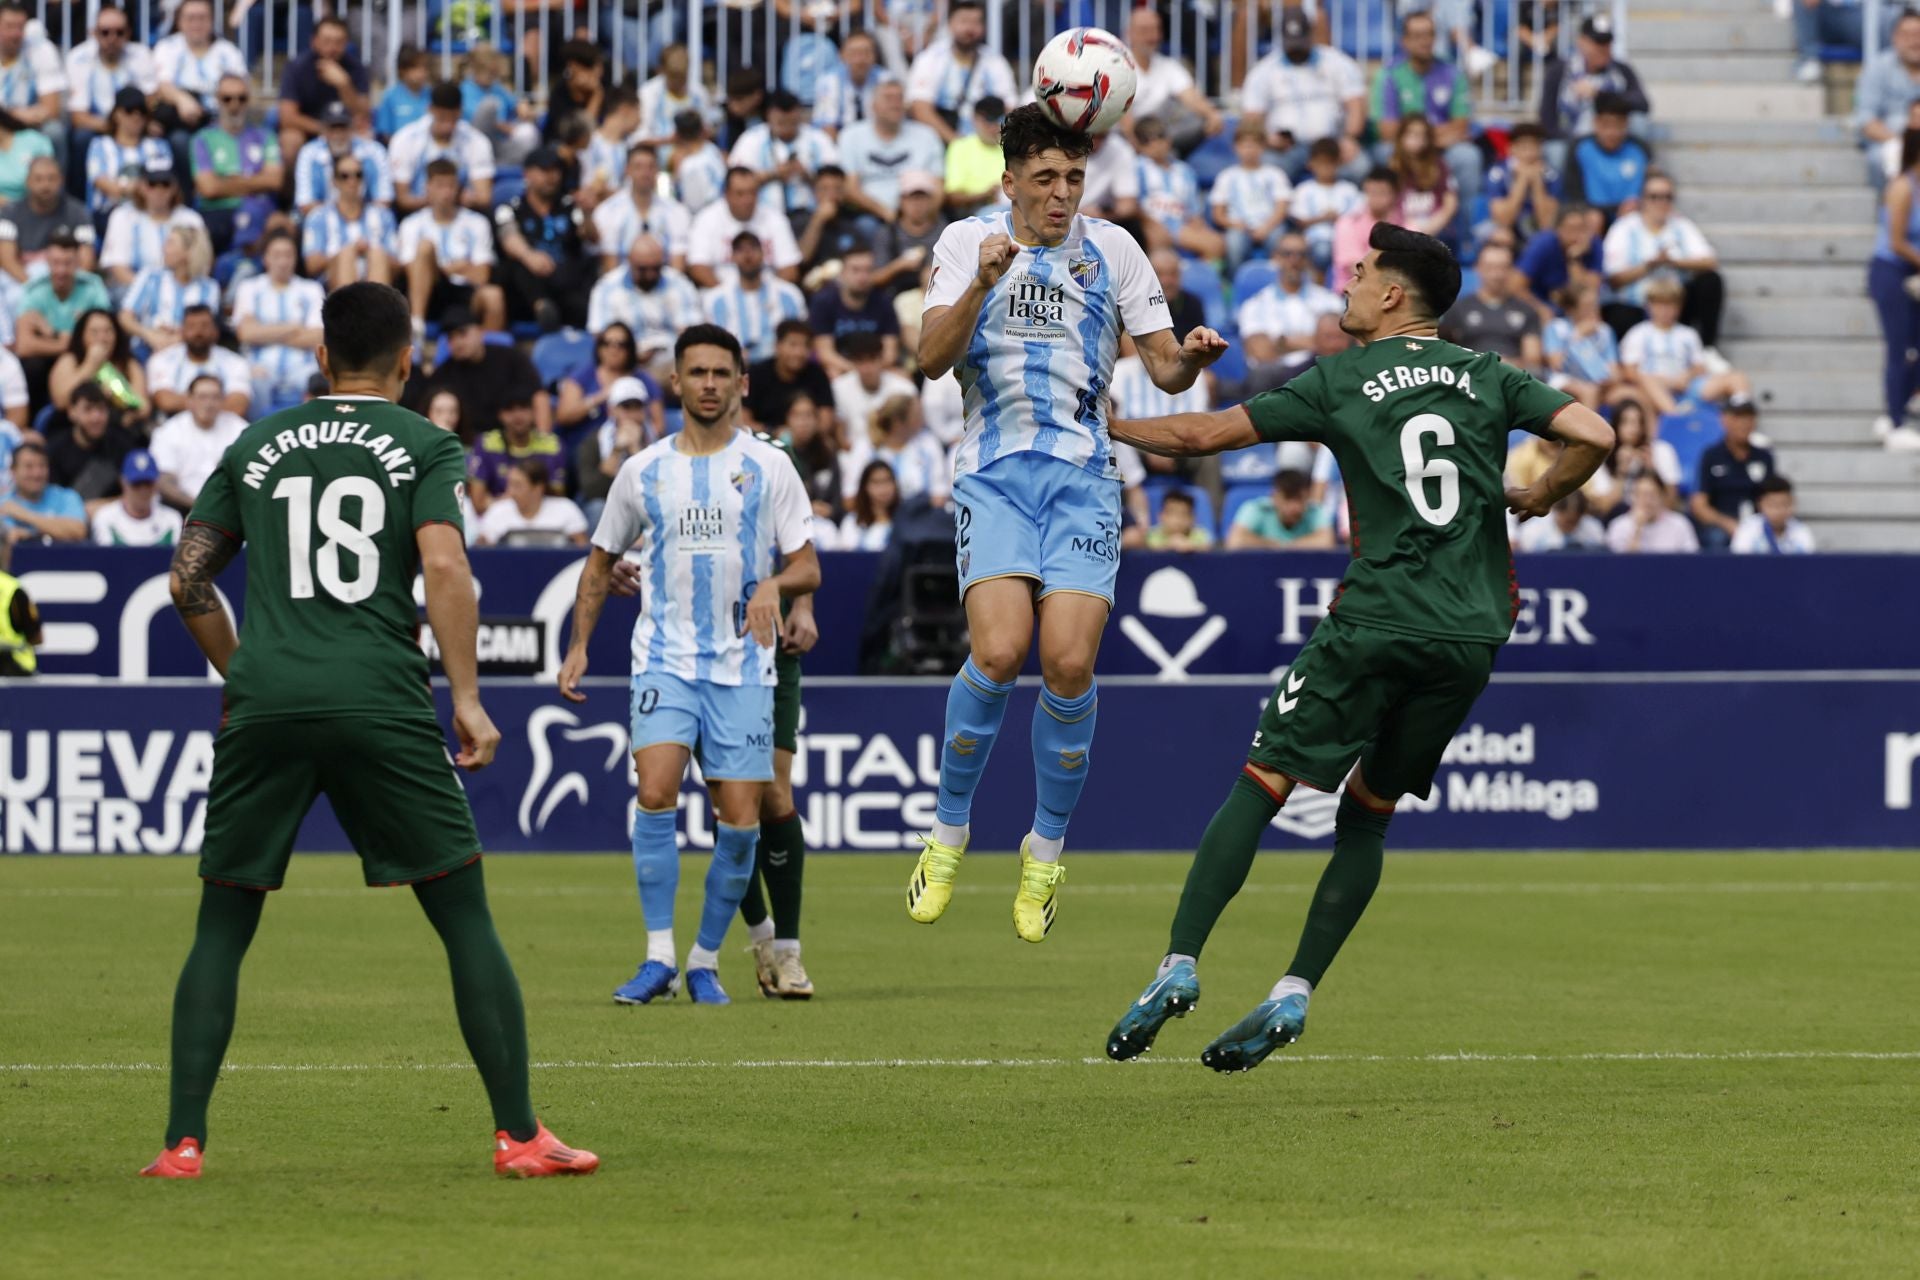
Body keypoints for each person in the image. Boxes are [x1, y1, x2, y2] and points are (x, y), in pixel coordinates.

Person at [1098, 221, 1614, 1071]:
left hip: (1376, 618)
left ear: (1392, 295)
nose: (1349, 280)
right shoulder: (1488, 375)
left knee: (1264, 779)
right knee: (1366, 817)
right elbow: (1595, 433)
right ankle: (1294, 990)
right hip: (1472, 634)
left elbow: (1196, 438)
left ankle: (1179, 967)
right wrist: (1542, 491)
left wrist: (1111, 425)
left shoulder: (1342, 378)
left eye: (1363, 270)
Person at [140, 279, 597, 1181]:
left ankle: (181, 1146)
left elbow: (185, 582)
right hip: (379, 697)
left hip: (266, 699)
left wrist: (249, 674)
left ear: (319, 358)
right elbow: (443, 564)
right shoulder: (424, 441)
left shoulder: (257, 439)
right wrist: (466, 697)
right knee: (461, 913)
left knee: (222, 924)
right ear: (406, 361)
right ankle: (519, 1137)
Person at [909, 104, 1228, 941]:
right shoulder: (962, 244)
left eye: (1074, 179)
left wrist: (1190, 355)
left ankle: (1044, 850)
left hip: (1084, 477)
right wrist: (982, 279)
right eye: (1044, 179)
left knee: (1069, 662)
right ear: (1007, 178)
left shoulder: (1113, 248)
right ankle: (947, 835)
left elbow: (1163, 373)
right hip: (995, 474)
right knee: (1000, 651)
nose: (1061, 195)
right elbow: (929, 360)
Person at [558, 324, 820, 1006]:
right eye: (695, 372)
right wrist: (580, 644)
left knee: (740, 821)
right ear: (674, 381)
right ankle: (657, 958)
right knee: (655, 794)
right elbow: (599, 562)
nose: (708, 384)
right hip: (665, 661)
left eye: (719, 373)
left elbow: (807, 562)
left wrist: (776, 586)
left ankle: (705, 960)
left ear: (742, 382)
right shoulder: (642, 471)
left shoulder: (770, 466)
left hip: (744, 669)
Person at [1242, 8, 1369, 182]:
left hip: (1331, 143)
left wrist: (1349, 138)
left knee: (1360, 168)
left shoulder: (1337, 62)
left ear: (1311, 35)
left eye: (1300, 42)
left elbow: (1356, 106)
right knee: (1265, 172)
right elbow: (1252, 119)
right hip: (1286, 148)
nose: (1296, 49)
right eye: (1291, 43)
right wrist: (1269, 139)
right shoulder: (1263, 71)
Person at [1371, 10, 1481, 211]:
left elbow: (1461, 126)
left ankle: (1466, 237)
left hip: (1442, 150)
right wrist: (1427, 137)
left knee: (1468, 156)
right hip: (1403, 148)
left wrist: (1420, 138)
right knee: (1384, 153)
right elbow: (1387, 131)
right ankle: (1394, 227)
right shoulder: (1388, 75)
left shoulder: (1453, 74)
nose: (1425, 41)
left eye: (1429, 34)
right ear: (1404, 40)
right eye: (1417, 36)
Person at [493, 147, 595, 333]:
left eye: (556, 171)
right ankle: (541, 306)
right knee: (514, 266)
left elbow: (590, 238)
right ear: (527, 174)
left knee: (588, 264)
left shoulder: (570, 206)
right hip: (526, 290)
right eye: (544, 170)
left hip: (564, 283)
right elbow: (509, 238)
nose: (552, 177)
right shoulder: (511, 208)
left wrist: (588, 213)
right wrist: (529, 256)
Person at [398, 158, 504, 333]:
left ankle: (488, 353)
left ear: (458, 189)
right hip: (431, 292)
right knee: (425, 248)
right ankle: (416, 326)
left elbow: (482, 274)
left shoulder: (477, 222)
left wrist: (438, 268)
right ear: (428, 188)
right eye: (440, 186)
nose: (446, 192)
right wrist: (457, 267)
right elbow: (411, 271)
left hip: (464, 293)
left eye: (451, 186)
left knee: (494, 296)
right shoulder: (411, 224)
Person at [1619, 279, 1748, 417]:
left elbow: (1699, 367)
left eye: (1670, 305)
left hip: (1686, 387)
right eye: (1660, 305)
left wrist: (1687, 376)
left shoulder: (1688, 334)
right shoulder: (1638, 333)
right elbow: (1630, 372)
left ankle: (1744, 418)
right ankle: (1676, 416)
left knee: (1737, 378)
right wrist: (1668, 382)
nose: (1665, 311)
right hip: (1654, 386)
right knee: (1646, 380)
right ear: (1649, 306)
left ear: (1679, 307)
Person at [231, 230, 324, 415]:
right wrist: (295, 327)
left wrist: (264, 332)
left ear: (296, 258)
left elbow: (317, 336)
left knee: (317, 382)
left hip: (303, 367)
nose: (283, 262)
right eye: (277, 255)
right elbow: (246, 334)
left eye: (288, 255)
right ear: (266, 259)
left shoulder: (311, 289)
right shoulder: (249, 288)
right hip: (260, 367)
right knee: (252, 382)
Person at [188, 75, 281, 254]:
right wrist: (254, 181)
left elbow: (275, 181)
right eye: (227, 98)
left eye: (241, 98)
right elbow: (208, 188)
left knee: (281, 227)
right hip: (217, 212)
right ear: (217, 100)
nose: (234, 105)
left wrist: (228, 180)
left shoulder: (265, 136)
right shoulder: (202, 139)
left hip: (260, 211)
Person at [837, 80, 945, 232]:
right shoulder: (851, 135)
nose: (895, 104)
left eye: (900, 98)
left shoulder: (926, 135)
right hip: (870, 215)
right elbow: (850, 187)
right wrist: (886, 213)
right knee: (866, 227)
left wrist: (922, 216)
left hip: (921, 215)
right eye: (888, 98)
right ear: (873, 106)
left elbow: (938, 185)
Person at [906, 0, 1017, 146]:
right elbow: (920, 108)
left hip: (988, 144)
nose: (970, 29)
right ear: (949, 24)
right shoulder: (931, 58)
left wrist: (989, 137)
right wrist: (957, 143)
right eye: (964, 21)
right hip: (940, 143)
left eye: (976, 22)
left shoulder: (995, 61)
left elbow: (1011, 107)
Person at [1870, 127, 1920, 446]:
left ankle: (1905, 398)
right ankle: (1895, 417)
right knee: (1899, 346)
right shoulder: (1903, 187)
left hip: (1913, 270)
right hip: (1891, 271)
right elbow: (1896, 241)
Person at [1538, 15, 1650, 154]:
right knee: (1556, 151)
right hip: (1571, 139)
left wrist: (1599, 94)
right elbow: (1547, 119)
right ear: (1581, 42)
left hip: (1613, 139)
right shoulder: (1559, 70)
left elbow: (1642, 103)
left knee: (1639, 122)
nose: (1603, 48)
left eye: (1607, 43)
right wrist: (1577, 141)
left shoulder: (1621, 70)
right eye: (1597, 42)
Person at [1121, 6, 1225, 154]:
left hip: (1163, 137)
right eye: (1144, 31)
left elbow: (1192, 97)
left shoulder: (1169, 66)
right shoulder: (1118, 68)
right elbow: (1122, 117)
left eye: (1156, 30)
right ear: (1129, 34)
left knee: (1197, 120)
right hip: (1129, 141)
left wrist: (1211, 114)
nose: (1152, 37)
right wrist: (1140, 144)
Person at [274, 14, 370, 168]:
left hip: (346, 130)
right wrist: (325, 129)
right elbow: (287, 117)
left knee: (367, 137)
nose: (332, 48)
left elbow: (363, 116)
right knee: (290, 140)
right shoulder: (297, 67)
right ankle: (291, 192)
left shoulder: (356, 68)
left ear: (346, 43)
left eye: (338, 42)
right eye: (327, 41)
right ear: (315, 41)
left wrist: (344, 85)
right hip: (310, 130)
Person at [587, 234, 705, 358]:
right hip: (627, 361)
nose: (650, 275)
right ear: (629, 261)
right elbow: (601, 336)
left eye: (655, 268)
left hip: (672, 360)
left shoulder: (680, 285)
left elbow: (691, 334)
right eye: (643, 269)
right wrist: (632, 355)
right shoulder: (607, 289)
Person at [686, 166, 804, 288]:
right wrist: (729, 299)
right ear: (727, 194)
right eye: (740, 194)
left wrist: (769, 296)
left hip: (769, 300)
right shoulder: (706, 219)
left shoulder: (775, 219)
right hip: (720, 297)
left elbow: (790, 269)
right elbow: (698, 268)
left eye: (752, 192)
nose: (747, 200)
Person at [700, 231, 809, 364]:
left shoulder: (789, 294)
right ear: (732, 257)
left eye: (753, 248)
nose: (748, 255)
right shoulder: (715, 299)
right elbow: (712, 344)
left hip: (779, 369)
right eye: (740, 250)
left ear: (764, 254)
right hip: (734, 369)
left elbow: (801, 337)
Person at [152, 0, 247, 150]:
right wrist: (182, 99)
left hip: (221, 118)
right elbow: (163, 84)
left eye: (202, 18)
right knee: (179, 140)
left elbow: (241, 86)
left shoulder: (228, 51)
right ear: (179, 21)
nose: (197, 24)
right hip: (183, 121)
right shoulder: (167, 47)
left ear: (211, 20)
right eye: (191, 18)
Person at [390, 83, 496, 216]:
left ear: (460, 112)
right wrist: (438, 199)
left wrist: (452, 199)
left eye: (453, 119)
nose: (447, 126)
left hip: (463, 216)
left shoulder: (477, 142)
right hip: (417, 215)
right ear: (431, 110)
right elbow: (403, 199)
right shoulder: (405, 140)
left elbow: (484, 197)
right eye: (442, 118)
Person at [64, 6, 157, 157]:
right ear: (94, 33)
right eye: (105, 32)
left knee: (160, 132)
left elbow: (150, 100)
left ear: (128, 33)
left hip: (134, 123)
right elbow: (78, 116)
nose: (112, 39)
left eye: (119, 32)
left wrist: (131, 125)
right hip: (97, 126)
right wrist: (117, 127)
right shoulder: (78, 58)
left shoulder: (141, 55)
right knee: (81, 137)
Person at [1238, 232, 1342, 365]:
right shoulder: (1255, 305)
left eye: (1301, 254)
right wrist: (1316, 342)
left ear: (1308, 260)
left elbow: (1337, 346)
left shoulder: (1330, 301)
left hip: (1319, 377)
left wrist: (1282, 342)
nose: (1294, 260)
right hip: (1275, 381)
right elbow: (1261, 352)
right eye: (1287, 254)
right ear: (1276, 257)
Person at [1690, 394, 1777, 551]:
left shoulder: (1764, 457)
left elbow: (1773, 497)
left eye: (1748, 417)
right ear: (1724, 420)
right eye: (1738, 417)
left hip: (1757, 523)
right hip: (1723, 524)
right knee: (1716, 538)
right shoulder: (1711, 456)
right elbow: (1699, 505)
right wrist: (1728, 524)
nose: (1744, 423)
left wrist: (1757, 525)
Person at [100, 161, 206, 288]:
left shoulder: (191, 219)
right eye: (152, 184)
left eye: (165, 184)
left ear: (174, 187)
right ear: (141, 186)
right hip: (132, 288)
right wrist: (149, 293)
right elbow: (117, 268)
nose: (159, 190)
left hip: (182, 288)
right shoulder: (122, 216)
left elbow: (202, 262)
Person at [303, 150, 398, 288]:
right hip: (333, 283)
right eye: (345, 176)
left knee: (377, 254)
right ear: (334, 181)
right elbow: (312, 264)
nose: (352, 181)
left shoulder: (383, 215)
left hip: (376, 275)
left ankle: (376, 308)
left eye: (358, 175)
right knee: (347, 255)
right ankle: (350, 308)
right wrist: (351, 250)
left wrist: (369, 251)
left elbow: (397, 264)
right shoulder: (318, 216)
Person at [1133, 117, 1225, 260]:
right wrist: (1150, 224)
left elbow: (1193, 209)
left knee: (1216, 243)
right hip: (1150, 223)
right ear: (1139, 145)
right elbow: (1134, 204)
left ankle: (1199, 279)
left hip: (1180, 224)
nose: (1156, 144)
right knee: (1157, 240)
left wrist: (1197, 222)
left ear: (1168, 140)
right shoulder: (1137, 167)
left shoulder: (1185, 171)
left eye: (1160, 137)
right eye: (1147, 140)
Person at [150, 374, 247, 509]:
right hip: (183, 508)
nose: (208, 404)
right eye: (202, 397)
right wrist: (201, 508)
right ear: (189, 400)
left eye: (215, 397)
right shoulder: (168, 431)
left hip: (229, 507)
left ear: (223, 400)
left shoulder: (240, 429)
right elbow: (164, 482)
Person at [1439, 242, 1542, 368]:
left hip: (1513, 377)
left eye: (1503, 267)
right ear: (1478, 268)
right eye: (1490, 267)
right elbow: (1445, 353)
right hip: (1469, 375)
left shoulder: (1527, 311)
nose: (1496, 275)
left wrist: (1504, 366)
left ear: (1511, 270)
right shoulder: (1458, 308)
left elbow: (1533, 359)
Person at [119, 225, 219, 355]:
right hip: (145, 349)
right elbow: (125, 317)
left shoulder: (209, 288)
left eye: (170, 243)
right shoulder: (150, 276)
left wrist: (176, 338)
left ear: (188, 252)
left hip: (188, 351)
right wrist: (149, 334)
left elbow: (208, 328)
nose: (164, 248)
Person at [593, 145, 691, 273]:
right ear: (627, 170)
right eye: (638, 167)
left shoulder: (677, 212)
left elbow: (677, 267)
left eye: (651, 167)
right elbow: (609, 265)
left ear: (657, 170)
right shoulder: (607, 211)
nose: (645, 173)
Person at [0, 154, 97, 281]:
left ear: (61, 181)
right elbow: (7, 260)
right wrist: (35, 289)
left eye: (51, 179)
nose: (45, 185)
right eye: (38, 179)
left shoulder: (79, 212)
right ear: (27, 182)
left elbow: (86, 261)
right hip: (21, 280)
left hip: (66, 282)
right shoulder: (9, 213)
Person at [1213, 120, 1293, 272]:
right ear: (1235, 147)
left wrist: (1266, 227)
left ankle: (1280, 280)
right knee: (1234, 243)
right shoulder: (1226, 176)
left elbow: (1282, 208)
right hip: (1239, 227)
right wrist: (1236, 225)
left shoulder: (1274, 174)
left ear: (1263, 147)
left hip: (1270, 226)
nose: (1249, 150)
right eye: (1244, 145)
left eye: (1254, 145)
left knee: (1279, 239)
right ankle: (1235, 283)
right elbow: (1218, 214)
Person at [467, 388, 564, 511]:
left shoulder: (552, 445)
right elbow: (478, 503)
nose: (518, 416)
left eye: (523, 408)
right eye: (510, 409)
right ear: (500, 414)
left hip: (542, 518)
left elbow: (557, 499)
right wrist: (507, 503)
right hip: (496, 516)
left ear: (534, 412)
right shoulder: (486, 443)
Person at [146, 305, 250, 418]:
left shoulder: (235, 362)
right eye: (191, 326)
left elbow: (237, 406)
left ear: (216, 331)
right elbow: (165, 401)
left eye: (205, 326)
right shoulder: (162, 359)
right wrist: (214, 403)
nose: (198, 332)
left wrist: (188, 402)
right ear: (182, 331)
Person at [808, 247, 900, 373]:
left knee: (903, 378)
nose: (862, 277)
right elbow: (825, 353)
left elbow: (890, 354)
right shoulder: (824, 301)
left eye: (868, 270)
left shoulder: (884, 302)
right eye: (855, 270)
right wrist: (859, 371)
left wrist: (870, 371)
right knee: (831, 372)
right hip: (840, 369)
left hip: (877, 370)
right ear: (842, 273)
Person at [295, 101, 396, 216]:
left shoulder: (374, 152)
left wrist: (356, 221)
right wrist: (341, 221)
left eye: (343, 127)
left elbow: (384, 200)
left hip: (367, 222)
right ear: (323, 130)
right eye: (333, 128)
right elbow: (306, 204)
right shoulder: (309, 153)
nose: (338, 134)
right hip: (322, 224)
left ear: (352, 128)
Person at [1563, 95, 1648, 227]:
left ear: (1626, 124)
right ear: (1595, 123)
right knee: (1594, 218)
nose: (1612, 132)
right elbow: (1573, 195)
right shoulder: (1580, 148)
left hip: (1629, 217)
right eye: (1606, 125)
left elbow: (1649, 189)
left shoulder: (1640, 150)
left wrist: (1638, 205)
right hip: (1592, 214)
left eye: (1618, 125)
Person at [48, 307, 147, 418]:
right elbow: (60, 401)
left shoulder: (128, 363)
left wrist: (119, 400)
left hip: (118, 425)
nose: (102, 338)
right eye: (94, 332)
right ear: (82, 336)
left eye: (108, 331)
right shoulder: (69, 360)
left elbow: (144, 407)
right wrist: (90, 366)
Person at [745, 317, 837, 434]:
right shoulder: (757, 374)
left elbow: (826, 421)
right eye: (793, 345)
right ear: (777, 346)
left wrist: (802, 433)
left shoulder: (817, 374)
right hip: (763, 442)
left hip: (808, 443)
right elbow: (743, 421)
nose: (799, 352)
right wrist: (775, 433)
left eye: (805, 346)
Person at [0, 3, 65, 168]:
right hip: (16, 119)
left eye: (20, 27)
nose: (16, 34)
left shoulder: (41, 50)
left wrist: (11, 114)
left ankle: (56, 191)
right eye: (9, 27)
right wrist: (16, 114)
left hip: (30, 124)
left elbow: (52, 110)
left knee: (54, 131)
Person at [46, 381, 133, 503]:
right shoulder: (54, 449)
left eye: (101, 409)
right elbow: (52, 500)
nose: (96, 417)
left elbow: (135, 494)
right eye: (88, 409)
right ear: (72, 412)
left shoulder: (121, 444)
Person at [83, 87, 160, 223]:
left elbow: (163, 184)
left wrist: (127, 188)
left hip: (151, 211)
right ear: (117, 114)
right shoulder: (99, 145)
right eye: (129, 111)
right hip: (109, 212)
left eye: (141, 112)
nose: (136, 117)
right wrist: (140, 188)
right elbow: (103, 183)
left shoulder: (158, 146)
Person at [472, 457, 588, 547]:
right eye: (509, 484)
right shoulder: (498, 510)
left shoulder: (566, 509)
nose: (510, 492)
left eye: (517, 485)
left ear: (538, 488)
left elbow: (581, 549)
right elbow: (483, 550)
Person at [1515, 202, 1602, 322]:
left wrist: (1574, 259)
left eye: (1582, 229)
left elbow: (1589, 293)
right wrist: (1540, 308)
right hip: (1540, 305)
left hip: (1573, 312)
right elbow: (1515, 286)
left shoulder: (1594, 245)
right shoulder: (1543, 244)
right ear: (1558, 229)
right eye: (1571, 229)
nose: (1577, 235)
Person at [1291, 137, 1362, 279]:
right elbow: (1300, 221)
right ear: (1311, 164)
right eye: (1321, 164)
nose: (1326, 168)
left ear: (1338, 164)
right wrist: (1323, 218)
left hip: (1346, 240)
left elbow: (1358, 218)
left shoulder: (1348, 189)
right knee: (1322, 250)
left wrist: (1339, 219)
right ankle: (1320, 281)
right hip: (1315, 240)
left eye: (1330, 164)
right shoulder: (1304, 190)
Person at [1483, 122, 1562, 244]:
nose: (1529, 154)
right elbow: (1503, 221)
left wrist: (1536, 182)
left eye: (1534, 147)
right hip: (1508, 229)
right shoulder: (1497, 173)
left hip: (1536, 228)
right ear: (1511, 148)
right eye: (1524, 148)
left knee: (1550, 238)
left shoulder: (1551, 175)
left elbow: (1546, 223)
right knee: (1501, 235)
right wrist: (1522, 180)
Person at [1225, 468, 1337, 549]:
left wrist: (1285, 547)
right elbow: (1235, 541)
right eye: (1288, 498)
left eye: (1299, 499)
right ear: (1274, 497)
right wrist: (1275, 546)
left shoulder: (1315, 511)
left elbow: (1327, 542)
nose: (1295, 506)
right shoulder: (1255, 509)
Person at [91, 446, 181, 546]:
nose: (143, 490)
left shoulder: (171, 519)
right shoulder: (106, 518)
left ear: (156, 483)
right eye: (136, 484)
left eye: (148, 484)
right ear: (123, 482)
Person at [635, 44, 715, 154]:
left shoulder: (700, 93)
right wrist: (669, 140)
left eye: (682, 77)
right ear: (661, 70)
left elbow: (708, 129)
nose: (679, 82)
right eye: (674, 76)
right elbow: (639, 138)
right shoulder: (648, 93)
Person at [4, 440, 89, 543]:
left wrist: (24, 516)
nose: (37, 474)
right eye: (29, 467)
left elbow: (78, 531)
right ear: (13, 471)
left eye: (42, 466)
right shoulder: (3, 503)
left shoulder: (67, 497)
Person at [1332, 166, 1399, 293]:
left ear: (1394, 194)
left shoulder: (1407, 226)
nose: (1376, 198)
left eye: (1382, 192)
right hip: (1352, 294)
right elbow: (1356, 268)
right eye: (1371, 192)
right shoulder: (1348, 223)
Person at [1607, 472, 1700, 554]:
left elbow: (1692, 560)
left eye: (1652, 495)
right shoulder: (1619, 526)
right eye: (1642, 495)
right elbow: (1621, 566)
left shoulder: (1680, 524)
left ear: (1662, 496)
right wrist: (1637, 529)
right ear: (1633, 497)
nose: (1647, 501)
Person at [1731, 474, 1816, 554]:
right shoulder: (1748, 529)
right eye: (1773, 505)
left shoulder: (1801, 531)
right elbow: (1739, 563)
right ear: (1760, 505)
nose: (1779, 510)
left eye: (1785, 504)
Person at [374, 44, 432, 142]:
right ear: (402, 70)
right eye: (415, 67)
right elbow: (386, 133)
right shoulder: (390, 97)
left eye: (424, 67)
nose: (421, 72)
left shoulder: (432, 95)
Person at [1515, 490, 1605, 552]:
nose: (1570, 525)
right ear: (1556, 510)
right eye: (1567, 521)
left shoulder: (1594, 529)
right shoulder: (1532, 529)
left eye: (1575, 521)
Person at [837, 458, 898, 550]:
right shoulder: (851, 522)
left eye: (887, 481)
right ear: (865, 487)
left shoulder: (905, 521)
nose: (883, 488)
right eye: (876, 482)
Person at [1145, 489, 1214, 552]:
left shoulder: (1199, 534)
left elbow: (1207, 547)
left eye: (1183, 514)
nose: (1178, 520)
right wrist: (1169, 545)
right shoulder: (1152, 534)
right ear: (1161, 516)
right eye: (1172, 513)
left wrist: (1191, 546)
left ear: (1193, 518)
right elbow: (1148, 548)